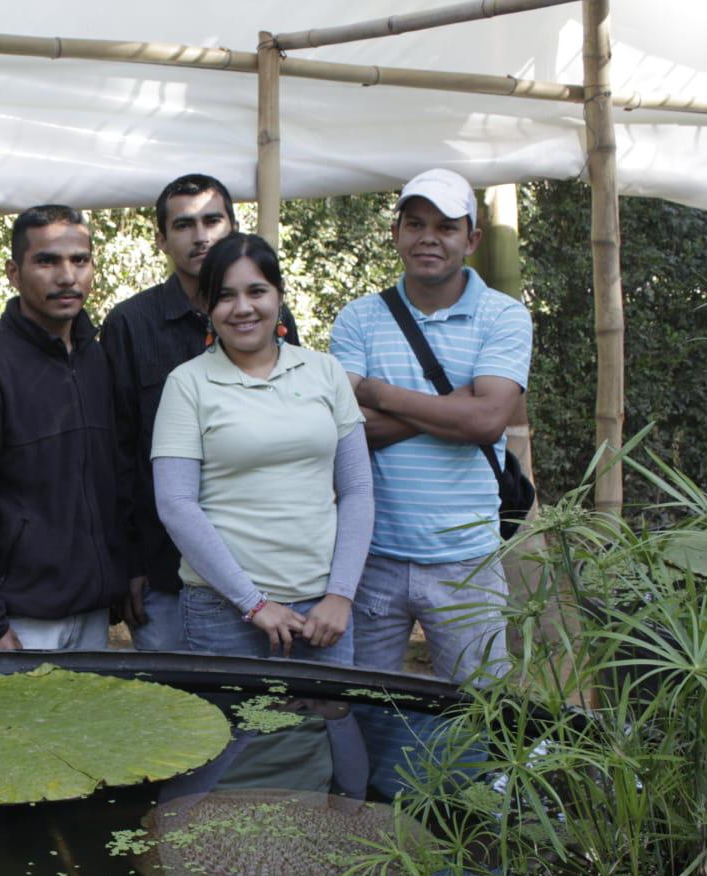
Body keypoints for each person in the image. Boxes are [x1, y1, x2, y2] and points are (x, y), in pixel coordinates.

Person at [329, 167, 532, 796]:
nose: (429, 238)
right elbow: (344, 430)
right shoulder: (359, 319)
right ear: (395, 233)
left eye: (446, 226)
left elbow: (490, 418)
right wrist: (456, 410)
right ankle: (378, 827)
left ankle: (468, 829)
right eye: (415, 224)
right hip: (373, 557)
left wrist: (381, 393)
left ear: (471, 239)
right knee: (365, 708)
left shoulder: (505, 316)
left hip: (467, 561)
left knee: (481, 712)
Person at [152, 233, 371, 796]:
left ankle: (328, 874)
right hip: (225, 612)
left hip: (324, 610)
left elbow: (357, 491)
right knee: (224, 762)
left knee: (335, 751)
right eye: (225, 295)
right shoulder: (188, 384)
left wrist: (340, 594)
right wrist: (253, 603)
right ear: (205, 305)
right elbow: (176, 504)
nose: (242, 307)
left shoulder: (324, 373)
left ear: (279, 295)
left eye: (257, 290)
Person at [103, 174, 298, 651]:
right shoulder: (130, 324)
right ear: (162, 239)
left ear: (232, 226)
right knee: (182, 713)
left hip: (266, 564)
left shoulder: (270, 317)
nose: (201, 236)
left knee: (271, 715)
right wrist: (128, 565)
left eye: (213, 220)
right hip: (163, 568)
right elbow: (116, 450)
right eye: (184, 225)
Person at [0, 205, 126, 651]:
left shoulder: (97, 358)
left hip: (91, 609)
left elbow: (110, 482)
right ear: (14, 273)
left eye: (79, 260)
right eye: (47, 261)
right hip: (18, 618)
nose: (67, 276)